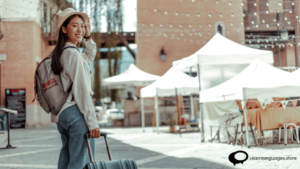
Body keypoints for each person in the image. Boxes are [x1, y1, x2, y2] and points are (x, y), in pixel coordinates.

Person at [51, 8, 100, 169]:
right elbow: (82, 90)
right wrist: (92, 122)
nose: (80, 29)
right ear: (64, 29)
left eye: (82, 26)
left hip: (63, 114)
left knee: (67, 161)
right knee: (81, 162)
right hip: (75, 112)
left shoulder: (63, 52)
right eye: (74, 26)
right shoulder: (72, 53)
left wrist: (88, 37)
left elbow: (89, 56)